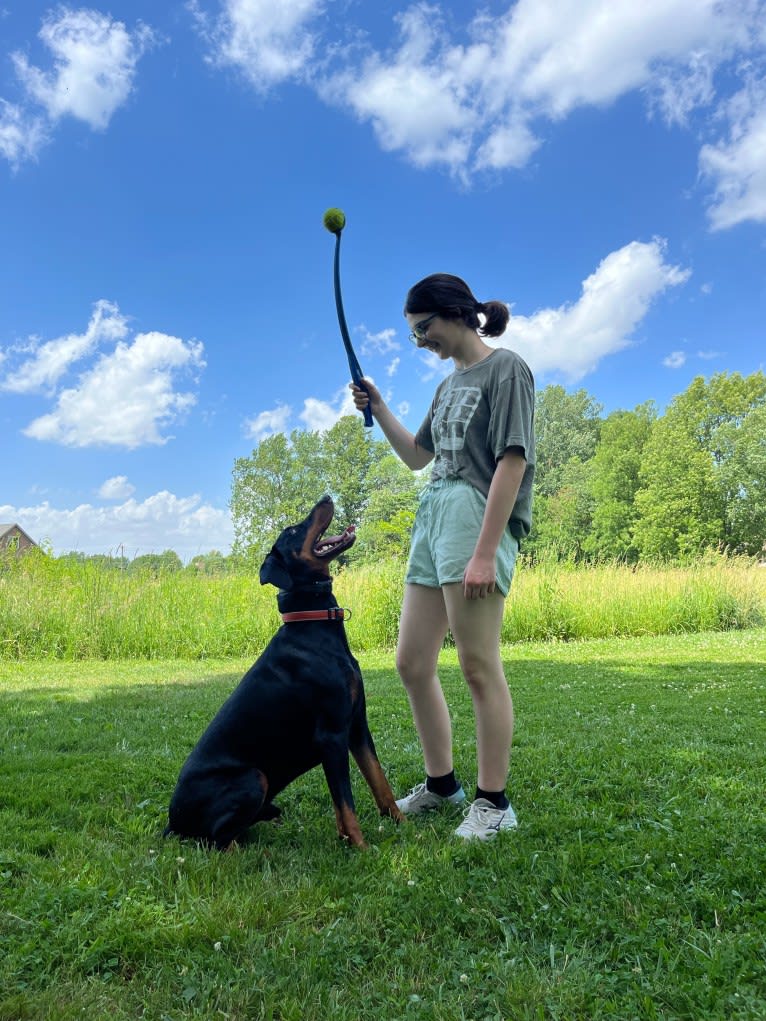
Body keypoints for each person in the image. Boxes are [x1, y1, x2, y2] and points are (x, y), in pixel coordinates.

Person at [349, 273, 535, 841]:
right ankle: (442, 784)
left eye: (422, 329)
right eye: (413, 335)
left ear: (453, 313)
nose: (421, 341)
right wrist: (379, 407)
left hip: (472, 517)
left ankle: (494, 803)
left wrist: (484, 552)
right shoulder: (449, 383)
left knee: (478, 665)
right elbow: (416, 457)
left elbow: (512, 461)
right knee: (411, 661)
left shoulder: (507, 370)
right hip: (432, 513)